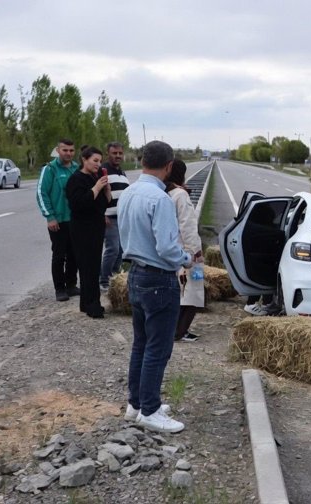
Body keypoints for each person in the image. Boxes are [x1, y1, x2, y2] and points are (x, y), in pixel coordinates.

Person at [118, 140, 193, 434]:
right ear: (170, 166)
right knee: (158, 349)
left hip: (135, 274)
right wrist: (186, 258)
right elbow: (166, 247)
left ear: (142, 160)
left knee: (141, 344)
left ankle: (136, 404)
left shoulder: (129, 193)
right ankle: (149, 410)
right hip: (160, 279)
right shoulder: (160, 199)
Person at [65, 146, 111, 318]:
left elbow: (103, 204)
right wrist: (97, 187)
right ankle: (93, 305)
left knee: (93, 265)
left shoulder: (96, 177)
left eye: (100, 161)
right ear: (84, 160)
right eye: (95, 161)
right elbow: (79, 203)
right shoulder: (76, 179)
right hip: (82, 228)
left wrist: (106, 190)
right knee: (87, 267)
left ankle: (87, 302)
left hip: (96, 226)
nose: (98, 164)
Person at [165, 160, 204, 342]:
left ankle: (172, 329)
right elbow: (188, 226)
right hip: (188, 253)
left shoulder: (165, 192)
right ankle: (180, 331)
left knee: (178, 293)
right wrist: (195, 252)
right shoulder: (180, 195)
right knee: (193, 293)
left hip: (171, 251)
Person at [37, 138, 80, 302]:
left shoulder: (77, 168)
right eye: (65, 150)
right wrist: (50, 217)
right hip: (58, 221)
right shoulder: (50, 169)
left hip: (75, 220)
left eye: (71, 150)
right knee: (59, 255)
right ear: (58, 150)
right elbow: (42, 193)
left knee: (74, 254)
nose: (68, 153)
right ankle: (60, 289)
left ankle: (71, 285)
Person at [99, 142, 131, 292]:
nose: (118, 156)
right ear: (108, 154)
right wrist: (102, 214)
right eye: (114, 153)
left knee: (120, 250)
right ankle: (104, 280)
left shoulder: (122, 173)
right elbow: (98, 194)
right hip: (108, 218)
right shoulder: (102, 171)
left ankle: (115, 277)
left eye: (120, 153)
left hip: (121, 218)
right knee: (112, 249)